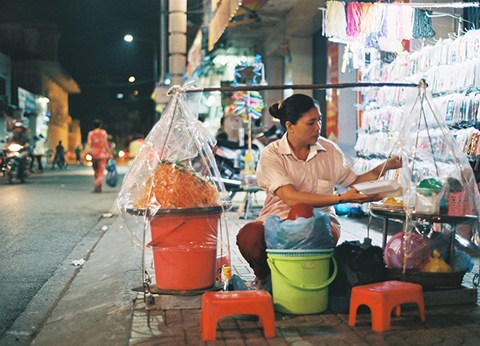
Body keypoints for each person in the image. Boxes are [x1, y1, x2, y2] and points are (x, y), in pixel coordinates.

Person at [236, 94, 402, 288]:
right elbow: (290, 198)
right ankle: (266, 278)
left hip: (320, 224)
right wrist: (341, 199)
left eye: (320, 120)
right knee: (249, 237)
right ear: (290, 126)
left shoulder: (329, 150)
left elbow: (354, 181)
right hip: (275, 221)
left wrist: (387, 166)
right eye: (311, 122)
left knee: (304, 214)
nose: (318, 127)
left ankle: (303, 282)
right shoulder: (272, 154)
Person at [83, 119, 113, 193]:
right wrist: (109, 153)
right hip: (102, 155)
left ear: (93, 126)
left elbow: (88, 144)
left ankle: (99, 188)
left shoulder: (91, 133)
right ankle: (97, 184)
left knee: (96, 172)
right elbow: (105, 144)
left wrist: (83, 153)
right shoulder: (103, 133)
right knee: (100, 172)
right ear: (100, 125)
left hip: (93, 155)